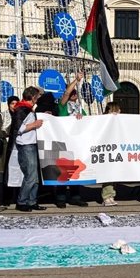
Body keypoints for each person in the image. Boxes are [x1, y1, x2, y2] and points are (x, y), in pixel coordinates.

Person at [54, 72, 88, 207]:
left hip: (77, 143)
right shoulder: (62, 105)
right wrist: (76, 80)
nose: (74, 94)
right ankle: (61, 198)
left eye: (75, 93)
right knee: (63, 170)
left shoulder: (80, 107)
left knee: (76, 170)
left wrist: (82, 118)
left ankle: (75, 196)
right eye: (72, 92)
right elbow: (66, 94)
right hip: (64, 142)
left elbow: (88, 122)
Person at [11, 86, 46, 211]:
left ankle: (32, 201)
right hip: (26, 146)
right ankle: (21, 201)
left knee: (35, 176)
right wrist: (34, 125)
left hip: (31, 144)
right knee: (30, 176)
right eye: (37, 96)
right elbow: (19, 129)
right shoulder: (21, 109)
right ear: (32, 97)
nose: (39, 98)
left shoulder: (29, 109)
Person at [0, 95, 19, 208]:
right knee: (7, 173)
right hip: (8, 147)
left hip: (19, 146)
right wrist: (7, 132)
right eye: (12, 103)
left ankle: (18, 197)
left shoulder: (22, 114)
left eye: (16, 103)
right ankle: (6, 199)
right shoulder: (3, 115)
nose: (14, 106)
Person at [101, 102, 121, 206]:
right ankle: (106, 197)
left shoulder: (118, 120)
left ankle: (111, 195)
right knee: (108, 174)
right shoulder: (104, 120)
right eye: (118, 109)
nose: (120, 112)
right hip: (107, 149)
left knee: (114, 174)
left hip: (115, 149)